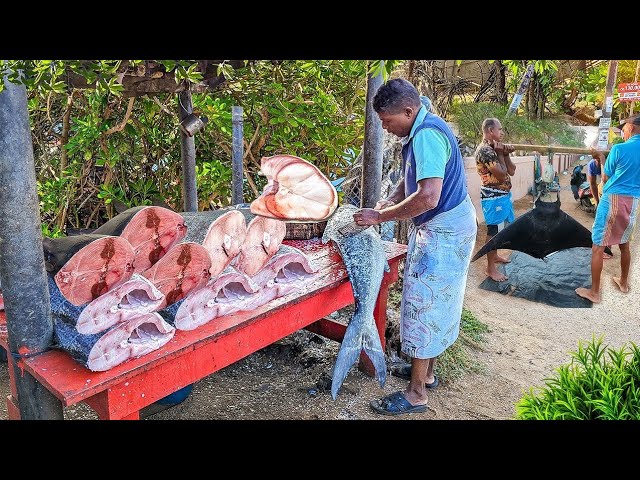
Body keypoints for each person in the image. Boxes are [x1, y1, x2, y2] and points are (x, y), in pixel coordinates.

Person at [352, 78, 477, 416]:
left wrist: (379, 216)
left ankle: (416, 393)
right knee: (438, 305)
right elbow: (415, 181)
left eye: (388, 122)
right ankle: (428, 374)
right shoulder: (423, 125)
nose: (386, 129)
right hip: (453, 223)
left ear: (408, 111)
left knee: (424, 306)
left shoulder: (426, 137)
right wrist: (390, 199)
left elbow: (428, 196)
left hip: (443, 230)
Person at [576, 113, 640, 303]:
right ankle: (624, 282)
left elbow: (604, 178)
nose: (623, 131)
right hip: (633, 202)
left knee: (598, 246)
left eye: (624, 128)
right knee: (624, 244)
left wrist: (602, 158)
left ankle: (594, 292)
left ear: (632, 127)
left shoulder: (619, 148)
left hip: (612, 199)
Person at [474, 118, 516, 282]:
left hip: (502, 197)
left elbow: (511, 171)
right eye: (500, 129)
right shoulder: (485, 151)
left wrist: (505, 154)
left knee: (499, 230)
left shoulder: (495, 149)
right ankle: (490, 268)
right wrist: (500, 153)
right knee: (493, 232)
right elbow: (500, 174)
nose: (502, 132)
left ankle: (495, 256)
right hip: (493, 198)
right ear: (491, 131)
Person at [586, 150, 613, 259]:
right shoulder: (592, 164)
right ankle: (599, 247)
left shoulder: (610, 163)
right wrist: (597, 201)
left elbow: (605, 179)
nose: (596, 162)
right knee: (600, 222)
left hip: (614, 191)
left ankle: (608, 249)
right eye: (595, 159)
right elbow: (592, 183)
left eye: (599, 159)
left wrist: (602, 160)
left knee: (610, 221)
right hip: (603, 192)